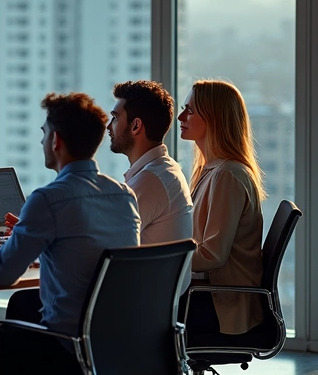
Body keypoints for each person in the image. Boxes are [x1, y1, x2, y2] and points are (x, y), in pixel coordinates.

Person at [0, 93, 140, 375]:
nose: (42, 141)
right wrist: (30, 236)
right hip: (121, 351)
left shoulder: (48, 199)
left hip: (70, 353)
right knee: (22, 307)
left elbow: (3, 272)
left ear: (56, 141)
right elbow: (83, 250)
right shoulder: (123, 195)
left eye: (43, 133)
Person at [178, 80, 266, 336]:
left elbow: (212, 256)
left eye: (190, 110)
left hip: (221, 306)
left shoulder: (227, 175)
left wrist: (162, 260)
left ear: (214, 118)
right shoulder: (212, 170)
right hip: (212, 295)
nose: (181, 116)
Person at [108, 80, 193, 244]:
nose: (108, 127)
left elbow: (103, 240)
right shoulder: (163, 170)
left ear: (136, 126)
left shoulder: (151, 180)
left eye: (115, 118)